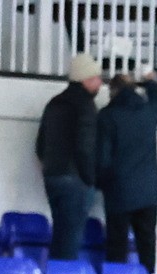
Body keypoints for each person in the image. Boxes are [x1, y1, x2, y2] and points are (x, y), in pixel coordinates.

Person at [36, 53, 102, 260]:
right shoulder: (86, 106)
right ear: (86, 79)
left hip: (52, 177)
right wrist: (90, 179)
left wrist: (50, 168)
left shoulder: (54, 103)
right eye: (97, 78)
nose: (100, 83)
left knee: (60, 237)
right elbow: (85, 148)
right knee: (70, 242)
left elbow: (40, 145)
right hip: (75, 181)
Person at [96, 71, 157, 273]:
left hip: (119, 191)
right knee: (147, 243)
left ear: (113, 91)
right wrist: (151, 82)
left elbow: (103, 157)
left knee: (117, 245)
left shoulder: (107, 116)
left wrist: (100, 183)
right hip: (148, 191)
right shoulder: (149, 112)